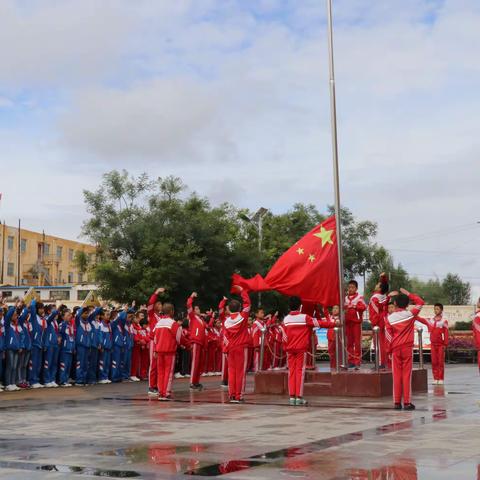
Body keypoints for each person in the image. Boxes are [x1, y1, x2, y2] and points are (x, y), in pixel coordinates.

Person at [280, 296, 331, 406]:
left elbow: (283, 336)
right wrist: (334, 324)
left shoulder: (286, 319)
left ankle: (292, 397)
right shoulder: (304, 318)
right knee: (300, 372)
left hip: (289, 349)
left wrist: (286, 347)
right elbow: (320, 323)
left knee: (291, 372)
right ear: (300, 306)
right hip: (300, 349)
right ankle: (299, 397)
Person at [385, 288, 424, 410]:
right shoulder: (411, 314)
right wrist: (408, 294)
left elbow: (388, 336)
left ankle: (397, 402)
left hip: (395, 349)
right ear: (407, 305)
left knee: (396, 375)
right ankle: (407, 402)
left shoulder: (389, 318)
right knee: (407, 375)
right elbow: (420, 302)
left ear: (395, 304)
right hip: (407, 349)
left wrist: (388, 351)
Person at [223, 285, 251, 403]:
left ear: (229, 308)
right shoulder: (243, 317)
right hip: (241, 347)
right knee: (240, 372)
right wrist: (242, 291)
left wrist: (225, 350)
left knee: (231, 371)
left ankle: (232, 395)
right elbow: (248, 304)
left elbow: (225, 337)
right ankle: (239, 395)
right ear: (239, 308)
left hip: (231, 348)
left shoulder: (226, 321)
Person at [153, 303, 183, 401]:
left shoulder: (158, 323)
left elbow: (154, 338)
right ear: (171, 312)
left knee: (160, 372)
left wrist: (155, 350)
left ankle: (161, 392)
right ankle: (166, 393)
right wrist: (187, 345)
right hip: (169, 351)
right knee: (168, 373)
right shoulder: (173, 323)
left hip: (159, 351)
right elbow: (179, 338)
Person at [417, 303, 449, 385]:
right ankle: (435, 378)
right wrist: (414, 315)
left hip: (441, 345)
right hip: (433, 344)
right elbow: (422, 320)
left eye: (437, 309)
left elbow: (446, 333)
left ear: (441, 310)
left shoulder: (444, 321)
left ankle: (441, 378)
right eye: (435, 309)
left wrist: (445, 344)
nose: (436, 310)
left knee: (440, 362)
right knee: (434, 362)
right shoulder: (430, 320)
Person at [29, 299, 56, 388]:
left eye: (42, 308)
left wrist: (44, 344)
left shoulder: (43, 320)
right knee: (34, 363)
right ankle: (32, 381)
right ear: (37, 309)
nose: (42, 310)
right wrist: (33, 301)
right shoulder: (34, 317)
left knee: (39, 364)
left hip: (41, 345)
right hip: (34, 344)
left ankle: (36, 380)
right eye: (40, 308)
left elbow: (44, 334)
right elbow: (32, 308)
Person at [368, 273, 390, 369]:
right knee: (380, 342)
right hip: (381, 320)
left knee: (379, 343)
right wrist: (383, 277)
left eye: (377, 284)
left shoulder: (376, 297)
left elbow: (374, 311)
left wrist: (374, 322)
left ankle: (381, 363)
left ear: (380, 289)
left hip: (378, 321)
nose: (376, 285)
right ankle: (381, 362)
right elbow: (384, 285)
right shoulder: (381, 296)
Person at [147, 288, 165, 396]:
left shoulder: (161, 316)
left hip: (160, 342)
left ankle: (157, 385)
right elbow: (150, 303)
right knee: (153, 364)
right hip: (154, 341)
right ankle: (151, 386)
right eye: (159, 304)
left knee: (159, 364)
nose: (161, 305)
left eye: (161, 304)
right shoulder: (152, 314)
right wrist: (156, 293)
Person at [345, 280, 367, 369]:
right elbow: (342, 307)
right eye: (349, 287)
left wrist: (355, 306)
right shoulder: (345, 298)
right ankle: (351, 361)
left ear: (356, 288)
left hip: (356, 323)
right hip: (347, 322)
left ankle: (357, 361)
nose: (350, 289)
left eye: (352, 287)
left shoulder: (359, 297)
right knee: (349, 343)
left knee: (357, 343)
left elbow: (364, 307)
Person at [187, 292, 207, 390]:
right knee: (195, 362)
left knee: (199, 363)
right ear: (193, 311)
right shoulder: (192, 317)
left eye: (199, 308)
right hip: (195, 342)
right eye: (197, 308)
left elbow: (209, 327)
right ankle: (192, 382)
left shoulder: (201, 320)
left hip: (201, 343)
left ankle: (196, 381)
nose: (199, 310)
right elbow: (188, 305)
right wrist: (191, 297)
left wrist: (210, 316)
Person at [4, 305, 25, 391]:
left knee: (15, 366)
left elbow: (22, 337)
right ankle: (8, 383)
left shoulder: (18, 326)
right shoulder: (8, 325)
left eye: (16, 315)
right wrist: (14, 308)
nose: (16, 316)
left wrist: (21, 346)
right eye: (14, 315)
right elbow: (8, 315)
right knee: (10, 366)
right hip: (10, 348)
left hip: (17, 348)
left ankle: (13, 383)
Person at [43, 304, 61, 388]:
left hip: (55, 344)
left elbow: (57, 332)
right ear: (49, 311)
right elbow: (52, 315)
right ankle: (47, 380)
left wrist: (59, 337)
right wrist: (57, 309)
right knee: (48, 363)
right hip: (49, 344)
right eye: (53, 310)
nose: (56, 313)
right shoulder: (47, 319)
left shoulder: (55, 321)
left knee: (54, 363)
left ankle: (52, 379)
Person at [75, 306, 92, 386]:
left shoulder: (88, 322)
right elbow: (77, 315)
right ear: (81, 314)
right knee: (80, 364)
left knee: (85, 364)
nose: (87, 315)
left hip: (87, 346)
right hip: (80, 346)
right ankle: (79, 380)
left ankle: (84, 380)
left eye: (87, 313)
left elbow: (93, 313)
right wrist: (83, 308)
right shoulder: (78, 322)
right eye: (85, 313)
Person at [58, 309, 76, 387]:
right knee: (64, 365)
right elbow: (59, 335)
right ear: (63, 317)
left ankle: (66, 379)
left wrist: (73, 347)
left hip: (70, 349)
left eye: (70, 315)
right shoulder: (62, 325)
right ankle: (62, 380)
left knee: (68, 366)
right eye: (68, 315)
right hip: (64, 349)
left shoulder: (70, 325)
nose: (70, 316)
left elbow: (72, 337)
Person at [132, 311, 149, 381]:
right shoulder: (133, 326)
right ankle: (134, 374)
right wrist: (140, 341)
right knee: (136, 361)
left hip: (142, 346)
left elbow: (147, 336)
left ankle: (143, 374)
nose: (142, 317)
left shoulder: (140, 327)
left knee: (144, 361)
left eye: (143, 316)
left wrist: (145, 341)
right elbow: (136, 336)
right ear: (136, 317)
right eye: (141, 316)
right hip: (136, 345)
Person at [98, 307, 113, 384]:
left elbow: (111, 337)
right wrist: (101, 345)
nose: (108, 316)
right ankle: (101, 377)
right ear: (102, 316)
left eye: (109, 315)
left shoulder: (109, 325)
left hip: (109, 347)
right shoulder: (101, 325)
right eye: (107, 315)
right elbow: (100, 336)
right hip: (104, 347)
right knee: (102, 363)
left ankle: (106, 376)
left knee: (107, 363)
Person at [325, 305, 340, 370]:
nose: (335, 310)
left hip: (338, 339)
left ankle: (338, 366)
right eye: (333, 308)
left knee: (338, 353)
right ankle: (332, 367)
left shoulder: (341, 318)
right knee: (331, 353)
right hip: (330, 338)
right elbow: (325, 310)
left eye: (337, 308)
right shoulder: (329, 317)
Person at [473, 298, 480, 373]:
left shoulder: (477, 316)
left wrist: (478, 345)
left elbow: (477, 331)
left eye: (478, 301)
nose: (477, 302)